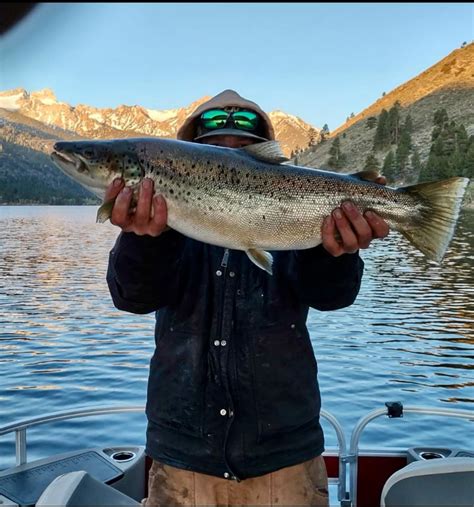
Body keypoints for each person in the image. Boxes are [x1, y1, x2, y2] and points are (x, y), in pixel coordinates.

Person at [105, 90, 389, 506]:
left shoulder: (299, 212)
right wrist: (143, 240)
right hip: (183, 460)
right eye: (214, 152)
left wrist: (337, 255)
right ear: (180, 163)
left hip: (285, 460)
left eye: (243, 152)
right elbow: (130, 297)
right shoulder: (159, 225)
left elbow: (333, 297)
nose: (228, 160)